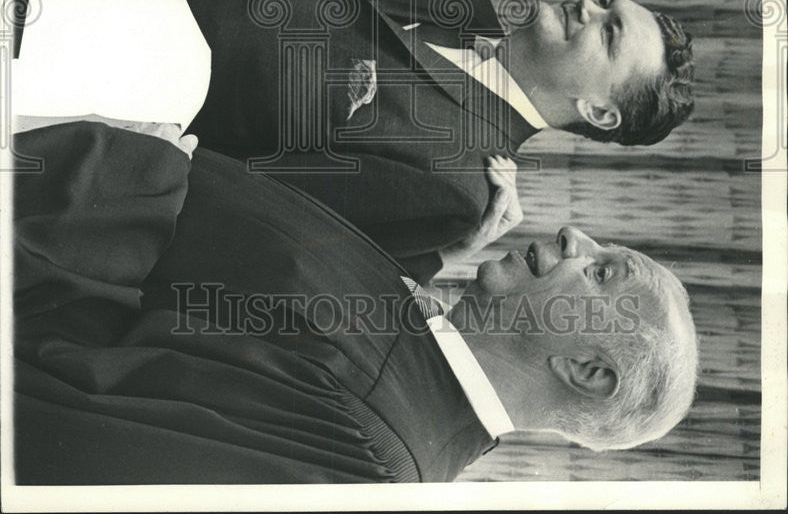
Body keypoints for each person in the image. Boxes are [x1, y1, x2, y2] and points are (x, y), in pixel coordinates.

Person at [16, 0, 695, 283]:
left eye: (607, 34)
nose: (586, 6)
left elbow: (258, 212)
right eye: (607, 3)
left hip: (85, 93)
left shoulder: (459, 184)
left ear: (598, 113)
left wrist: (430, 260)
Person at [14, 118, 699, 485]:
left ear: (586, 370)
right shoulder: (406, 335)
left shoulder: (362, 463)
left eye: (605, 274)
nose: (574, 235)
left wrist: (135, 174)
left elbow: (66, 424)